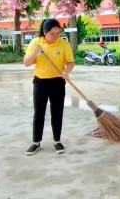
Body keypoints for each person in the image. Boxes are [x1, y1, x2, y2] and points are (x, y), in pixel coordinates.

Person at [23, 19, 74, 156]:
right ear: (44, 32)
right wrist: (35, 52)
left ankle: (57, 140)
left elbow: (70, 62)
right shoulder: (36, 42)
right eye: (52, 34)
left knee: (57, 112)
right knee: (39, 112)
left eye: (58, 33)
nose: (56, 36)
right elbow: (26, 63)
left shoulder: (63, 44)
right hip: (40, 82)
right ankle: (36, 142)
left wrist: (66, 71)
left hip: (57, 82)